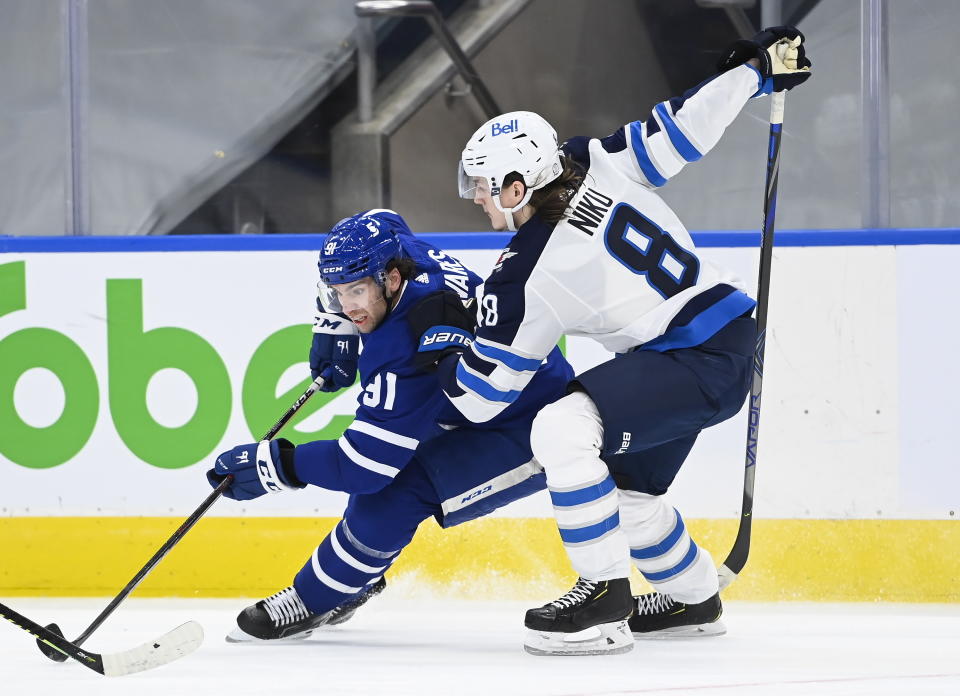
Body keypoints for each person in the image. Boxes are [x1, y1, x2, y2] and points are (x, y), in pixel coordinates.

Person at [411, 27, 812, 655]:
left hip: (691, 358)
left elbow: (484, 398)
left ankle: (602, 599)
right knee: (625, 496)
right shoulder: (589, 159)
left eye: (486, 191)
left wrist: (427, 357)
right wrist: (753, 74)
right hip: (717, 341)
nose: (481, 204)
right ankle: (692, 596)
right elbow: (680, 130)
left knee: (561, 431)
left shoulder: (528, 270)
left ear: (518, 187)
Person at [205, 209, 573, 642]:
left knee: (396, 493)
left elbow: (364, 466)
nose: (348, 305)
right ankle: (353, 577)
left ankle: (314, 599)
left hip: (531, 425)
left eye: (356, 292)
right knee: (385, 486)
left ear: (392, 279)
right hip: (468, 398)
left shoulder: (412, 342)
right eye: (337, 292)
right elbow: (383, 215)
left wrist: (277, 465)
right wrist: (335, 325)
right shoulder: (396, 248)